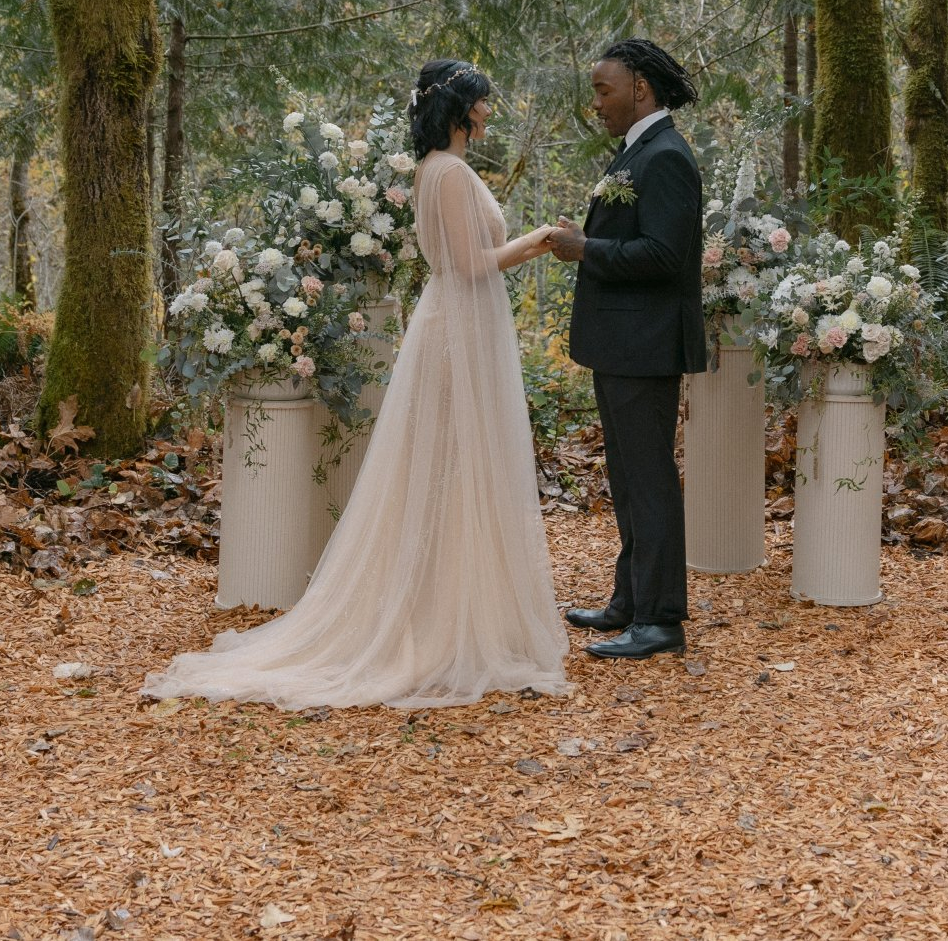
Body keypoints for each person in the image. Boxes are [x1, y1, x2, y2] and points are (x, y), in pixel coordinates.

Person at [142, 60, 573, 709]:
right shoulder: (448, 173)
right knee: (451, 465)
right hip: (457, 329)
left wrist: (531, 245)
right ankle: (440, 620)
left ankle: (458, 605)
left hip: (460, 325)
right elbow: (467, 265)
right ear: (460, 109)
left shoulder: (439, 170)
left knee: (455, 468)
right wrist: (539, 239)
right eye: (483, 101)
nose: (490, 111)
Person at [548, 38, 707, 660]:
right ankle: (631, 600)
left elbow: (665, 255)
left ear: (640, 88)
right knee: (628, 477)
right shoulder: (639, 150)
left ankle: (661, 620)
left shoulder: (665, 156)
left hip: (645, 346)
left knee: (649, 481)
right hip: (622, 345)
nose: (596, 103)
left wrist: (586, 248)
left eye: (603, 90)